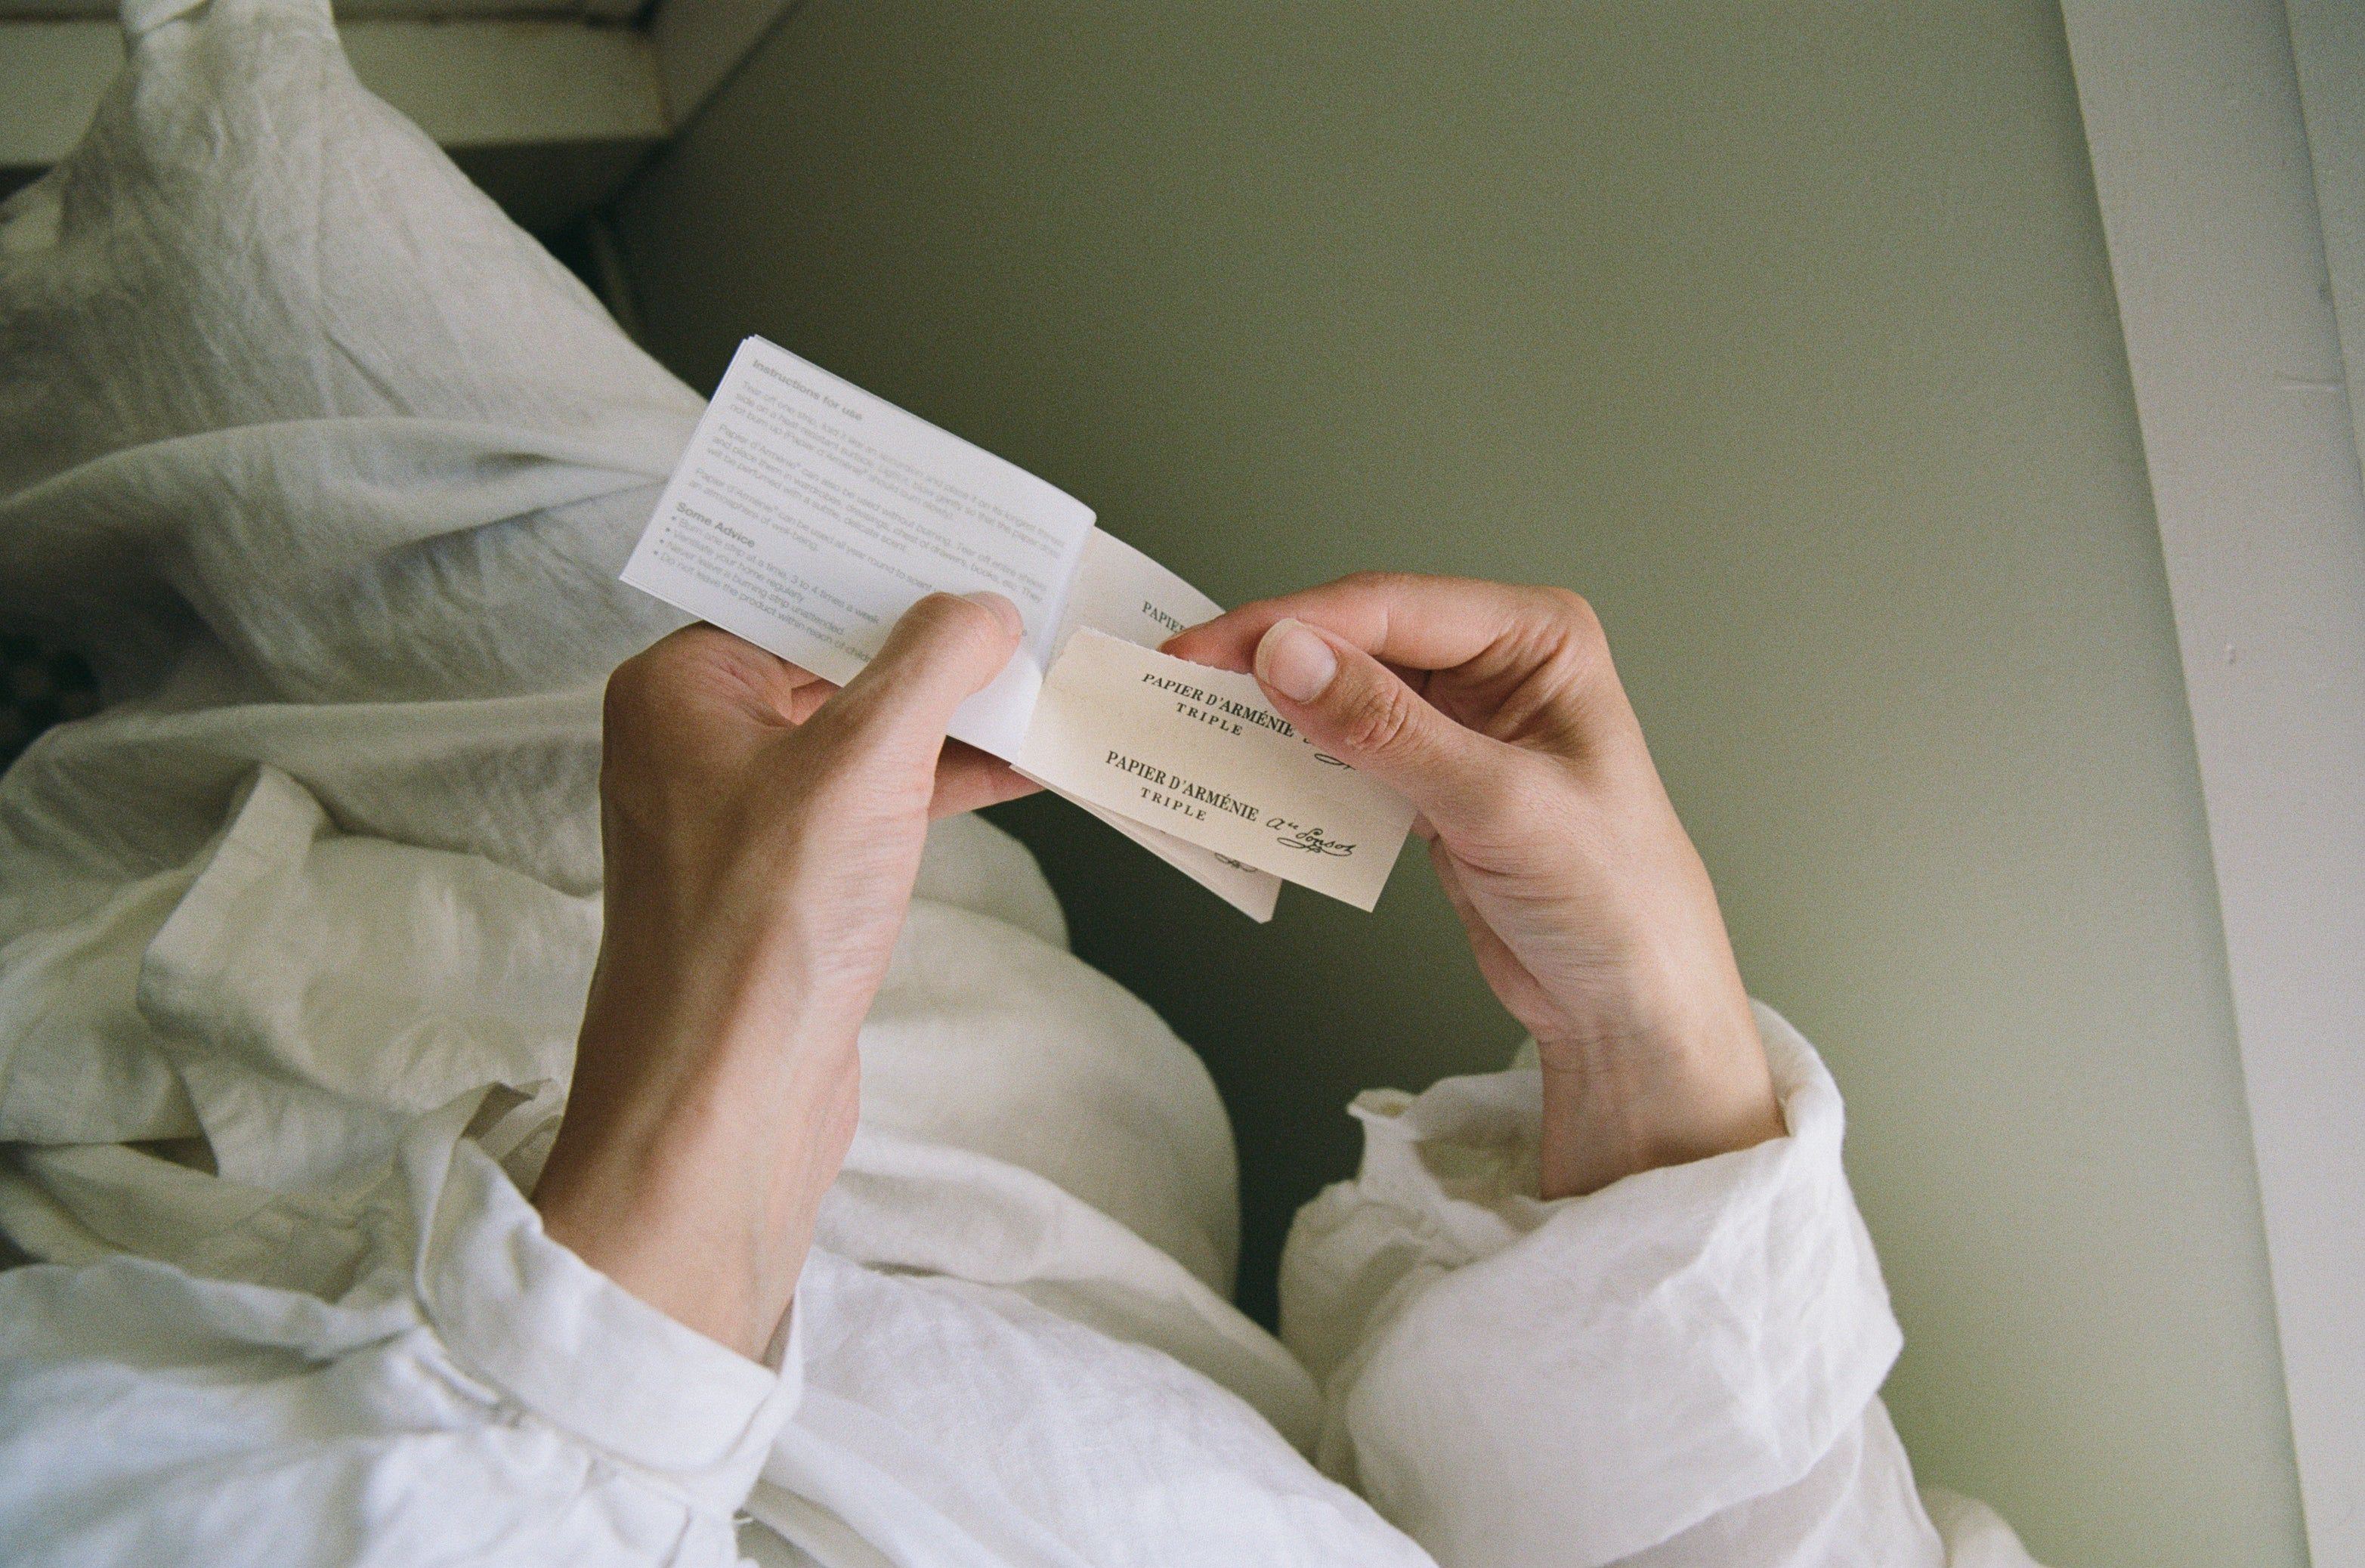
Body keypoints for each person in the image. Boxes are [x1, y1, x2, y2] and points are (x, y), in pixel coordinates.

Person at [0, 0, 2048, 1560]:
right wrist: (1647, 1051)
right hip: (1028, 1143)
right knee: (309, 282)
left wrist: (671, 1204)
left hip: (464, 1319)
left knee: (265, 269)